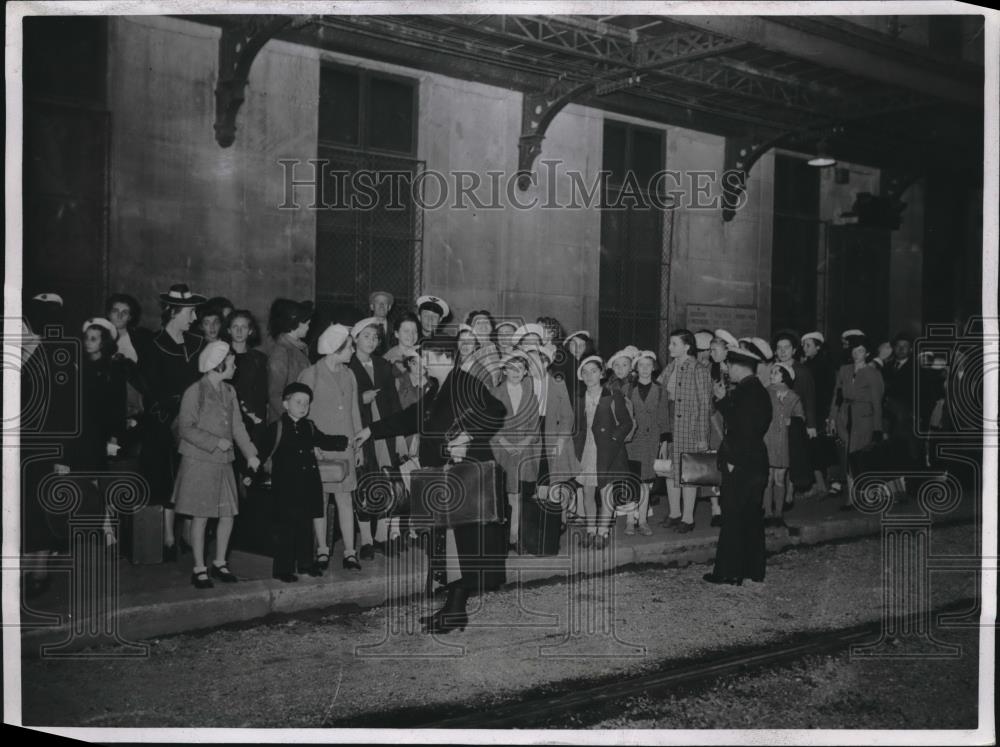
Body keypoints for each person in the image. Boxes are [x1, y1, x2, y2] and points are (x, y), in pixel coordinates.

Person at [357, 334, 508, 634]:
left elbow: (495, 411)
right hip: (443, 475)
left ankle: (454, 611)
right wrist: (371, 430)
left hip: (465, 474)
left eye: (425, 356)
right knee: (449, 546)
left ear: (442, 357)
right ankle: (453, 609)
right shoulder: (438, 389)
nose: (421, 361)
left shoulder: (463, 383)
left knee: (460, 546)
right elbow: (410, 418)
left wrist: (468, 436)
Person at [172, 341, 260, 589]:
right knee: (200, 516)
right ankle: (199, 567)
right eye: (232, 364)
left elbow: (238, 427)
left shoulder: (229, 391)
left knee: (227, 514)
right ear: (219, 364)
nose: (235, 368)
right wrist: (214, 442)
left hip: (223, 462)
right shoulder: (195, 391)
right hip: (199, 462)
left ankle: (220, 563)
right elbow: (185, 428)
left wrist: (251, 453)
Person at [140, 283, 207, 561]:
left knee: (192, 477)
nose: (194, 319)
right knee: (167, 477)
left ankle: (188, 531)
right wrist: (172, 413)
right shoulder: (154, 345)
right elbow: (150, 390)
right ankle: (168, 536)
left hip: (194, 420)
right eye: (190, 313)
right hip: (164, 422)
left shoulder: (197, 343)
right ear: (174, 312)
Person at [258, 382, 349, 582]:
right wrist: (249, 473)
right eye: (298, 402)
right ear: (285, 404)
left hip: (308, 484)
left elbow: (323, 439)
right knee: (286, 528)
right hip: (286, 487)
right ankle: (283, 569)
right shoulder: (278, 428)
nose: (303, 406)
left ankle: (306, 563)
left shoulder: (309, 426)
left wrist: (345, 441)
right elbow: (262, 452)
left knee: (305, 526)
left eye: (306, 403)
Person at [298, 324, 364, 570]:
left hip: (345, 446)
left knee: (345, 499)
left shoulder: (349, 375)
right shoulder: (310, 375)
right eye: (349, 347)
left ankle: (349, 551)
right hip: (320, 449)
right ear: (336, 350)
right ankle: (322, 550)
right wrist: (309, 446)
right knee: (320, 500)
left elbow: (354, 411)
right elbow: (301, 415)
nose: (352, 352)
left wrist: (359, 445)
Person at [705, 346, 772, 585]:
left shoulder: (747, 392)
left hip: (742, 463)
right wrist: (724, 401)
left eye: (728, 365)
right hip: (755, 462)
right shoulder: (756, 390)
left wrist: (732, 462)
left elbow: (741, 430)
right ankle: (753, 570)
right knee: (751, 518)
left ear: (737, 366)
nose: (726, 370)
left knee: (733, 517)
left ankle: (729, 572)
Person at [349, 317, 405, 559]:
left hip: (384, 433)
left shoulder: (383, 365)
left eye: (375, 337)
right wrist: (361, 399)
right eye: (366, 336)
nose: (371, 341)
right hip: (360, 433)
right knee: (364, 482)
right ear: (355, 339)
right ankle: (366, 540)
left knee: (385, 482)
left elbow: (394, 403)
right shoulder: (347, 365)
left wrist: (399, 434)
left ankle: (382, 536)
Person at [573, 355, 633, 548]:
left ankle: (603, 531)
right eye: (585, 372)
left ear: (601, 374)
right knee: (588, 492)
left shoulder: (612, 395)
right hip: (586, 450)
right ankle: (591, 530)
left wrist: (614, 440)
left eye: (593, 371)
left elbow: (626, 423)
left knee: (606, 490)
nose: (589, 375)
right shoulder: (579, 399)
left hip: (607, 449)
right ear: (581, 376)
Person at [657, 329, 712, 533]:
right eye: (670, 343)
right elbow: (660, 392)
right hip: (670, 426)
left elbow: (705, 404)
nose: (670, 347)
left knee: (688, 473)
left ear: (687, 346)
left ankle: (688, 518)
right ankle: (674, 513)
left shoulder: (698, 369)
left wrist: (702, 436)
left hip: (689, 427)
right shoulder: (671, 367)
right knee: (670, 471)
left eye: (674, 344)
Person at [490, 351, 540, 551]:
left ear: (526, 372)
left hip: (523, 451)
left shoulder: (531, 396)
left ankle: (514, 536)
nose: (515, 372)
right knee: (501, 495)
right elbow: (490, 425)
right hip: (501, 451)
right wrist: (506, 443)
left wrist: (522, 444)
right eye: (511, 368)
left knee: (517, 495)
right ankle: (499, 540)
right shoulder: (494, 393)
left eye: (520, 368)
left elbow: (534, 428)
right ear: (504, 370)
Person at [828, 334, 885, 510]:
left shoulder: (873, 374)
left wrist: (877, 428)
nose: (856, 353)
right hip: (844, 418)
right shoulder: (844, 370)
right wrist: (832, 417)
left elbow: (877, 402)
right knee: (846, 459)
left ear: (867, 353)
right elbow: (837, 396)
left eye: (860, 350)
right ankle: (851, 499)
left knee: (859, 458)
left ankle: (866, 496)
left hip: (863, 420)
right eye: (854, 350)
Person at [623, 350, 670, 536]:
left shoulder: (660, 391)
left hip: (651, 441)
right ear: (636, 367)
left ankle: (642, 520)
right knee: (631, 480)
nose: (644, 369)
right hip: (631, 441)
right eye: (641, 365)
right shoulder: (627, 389)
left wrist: (664, 442)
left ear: (654, 367)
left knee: (646, 483)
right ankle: (629, 519)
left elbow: (664, 417)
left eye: (648, 365)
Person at [762, 363, 804, 528]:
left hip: (784, 441)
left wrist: (791, 421)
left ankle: (778, 513)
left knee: (780, 477)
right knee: (768, 477)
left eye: (776, 373)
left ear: (785, 376)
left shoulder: (793, 397)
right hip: (767, 438)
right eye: (771, 372)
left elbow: (801, 418)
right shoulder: (765, 392)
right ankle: (767, 512)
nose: (771, 375)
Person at [802, 331, 837, 495]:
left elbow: (826, 392)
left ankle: (822, 485)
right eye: (803, 345)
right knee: (813, 448)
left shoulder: (821, 365)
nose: (804, 348)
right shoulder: (810, 364)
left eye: (808, 345)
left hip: (817, 412)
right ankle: (819, 484)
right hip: (813, 411)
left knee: (817, 448)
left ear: (818, 347)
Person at [266, 299, 312, 424]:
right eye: (306, 323)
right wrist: (291, 420)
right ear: (295, 324)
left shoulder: (299, 348)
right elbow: (275, 394)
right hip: (286, 422)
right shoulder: (281, 352)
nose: (308, 327)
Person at [368, 290, 395, 356]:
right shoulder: (364, 327)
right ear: (372, 306)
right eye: (378, 302)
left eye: (385, 302)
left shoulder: (395, 328)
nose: (381, 305)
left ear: (389, 307)